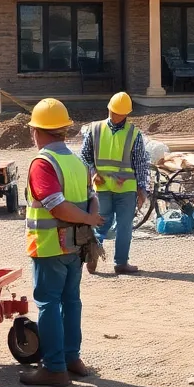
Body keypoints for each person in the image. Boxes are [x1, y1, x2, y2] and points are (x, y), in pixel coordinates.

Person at [20, 97, 104, 387]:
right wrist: (89, 219)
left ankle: (55, 368)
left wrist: (89, 220)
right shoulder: (77, 162)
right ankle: (72, 359)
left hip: (49, 247)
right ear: (63, 130)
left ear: (38, 131)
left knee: (48, 304)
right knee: (71, 302)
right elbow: (93, 198)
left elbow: (56, 205)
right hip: (75, 247)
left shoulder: (43, 163)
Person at [79, 91, 150, 275]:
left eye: (118, 113)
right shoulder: (94, 129)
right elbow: (84, 156)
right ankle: (93, 256)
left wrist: (142, 189)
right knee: (100, 224)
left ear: (126, 114)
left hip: (125, 188)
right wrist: (93, 172)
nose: (114, 115)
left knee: (124, 227)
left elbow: (141, 163)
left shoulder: (134, 134)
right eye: (112, 111)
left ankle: (121, 263)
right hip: (103, 187)